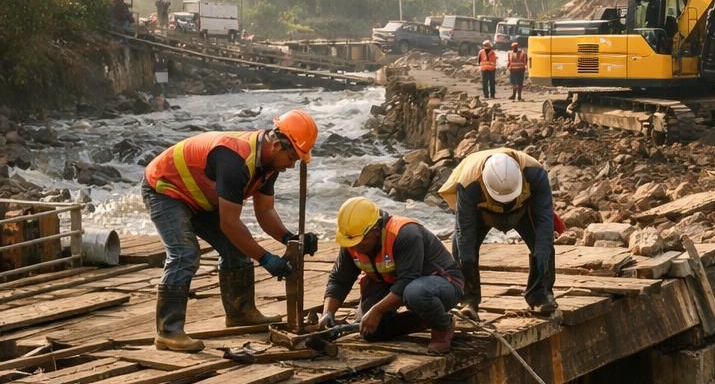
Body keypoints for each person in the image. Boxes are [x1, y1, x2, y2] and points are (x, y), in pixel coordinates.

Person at [142, 110, 319, 352]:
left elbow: (265, 212)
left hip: (199, 197)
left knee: (236, 247)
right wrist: (265, 258)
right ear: (277, 144)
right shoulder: (235, 159)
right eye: (292, 157)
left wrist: (289, 238)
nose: (291, 165)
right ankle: (168, 331)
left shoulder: (268, 166)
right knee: (184, 253)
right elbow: (230, 224)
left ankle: (240, 313)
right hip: (165, 190)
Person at [319, 197, 463, 353]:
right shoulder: (352, 241)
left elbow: (407, 280)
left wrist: (377, 310)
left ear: (375, 229)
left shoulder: (405, 234)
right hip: (393, 283)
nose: (356, 247)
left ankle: (443, 325)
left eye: (362, 241)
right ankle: (424, 319)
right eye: (352, 242)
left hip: (442, 284)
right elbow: (339, 280)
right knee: (368, 329)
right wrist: (328, 312)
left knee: (415, 293)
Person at [438, 148, 558, 317]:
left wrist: (542, 254)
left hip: (522, 208)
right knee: (461, 246)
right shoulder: (468, 183)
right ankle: (467, 300)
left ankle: (540, 295)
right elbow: (465, 231)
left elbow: (544, 220)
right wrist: (466, 263)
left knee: (543, 244)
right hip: (482, 212)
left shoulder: (535, 172)